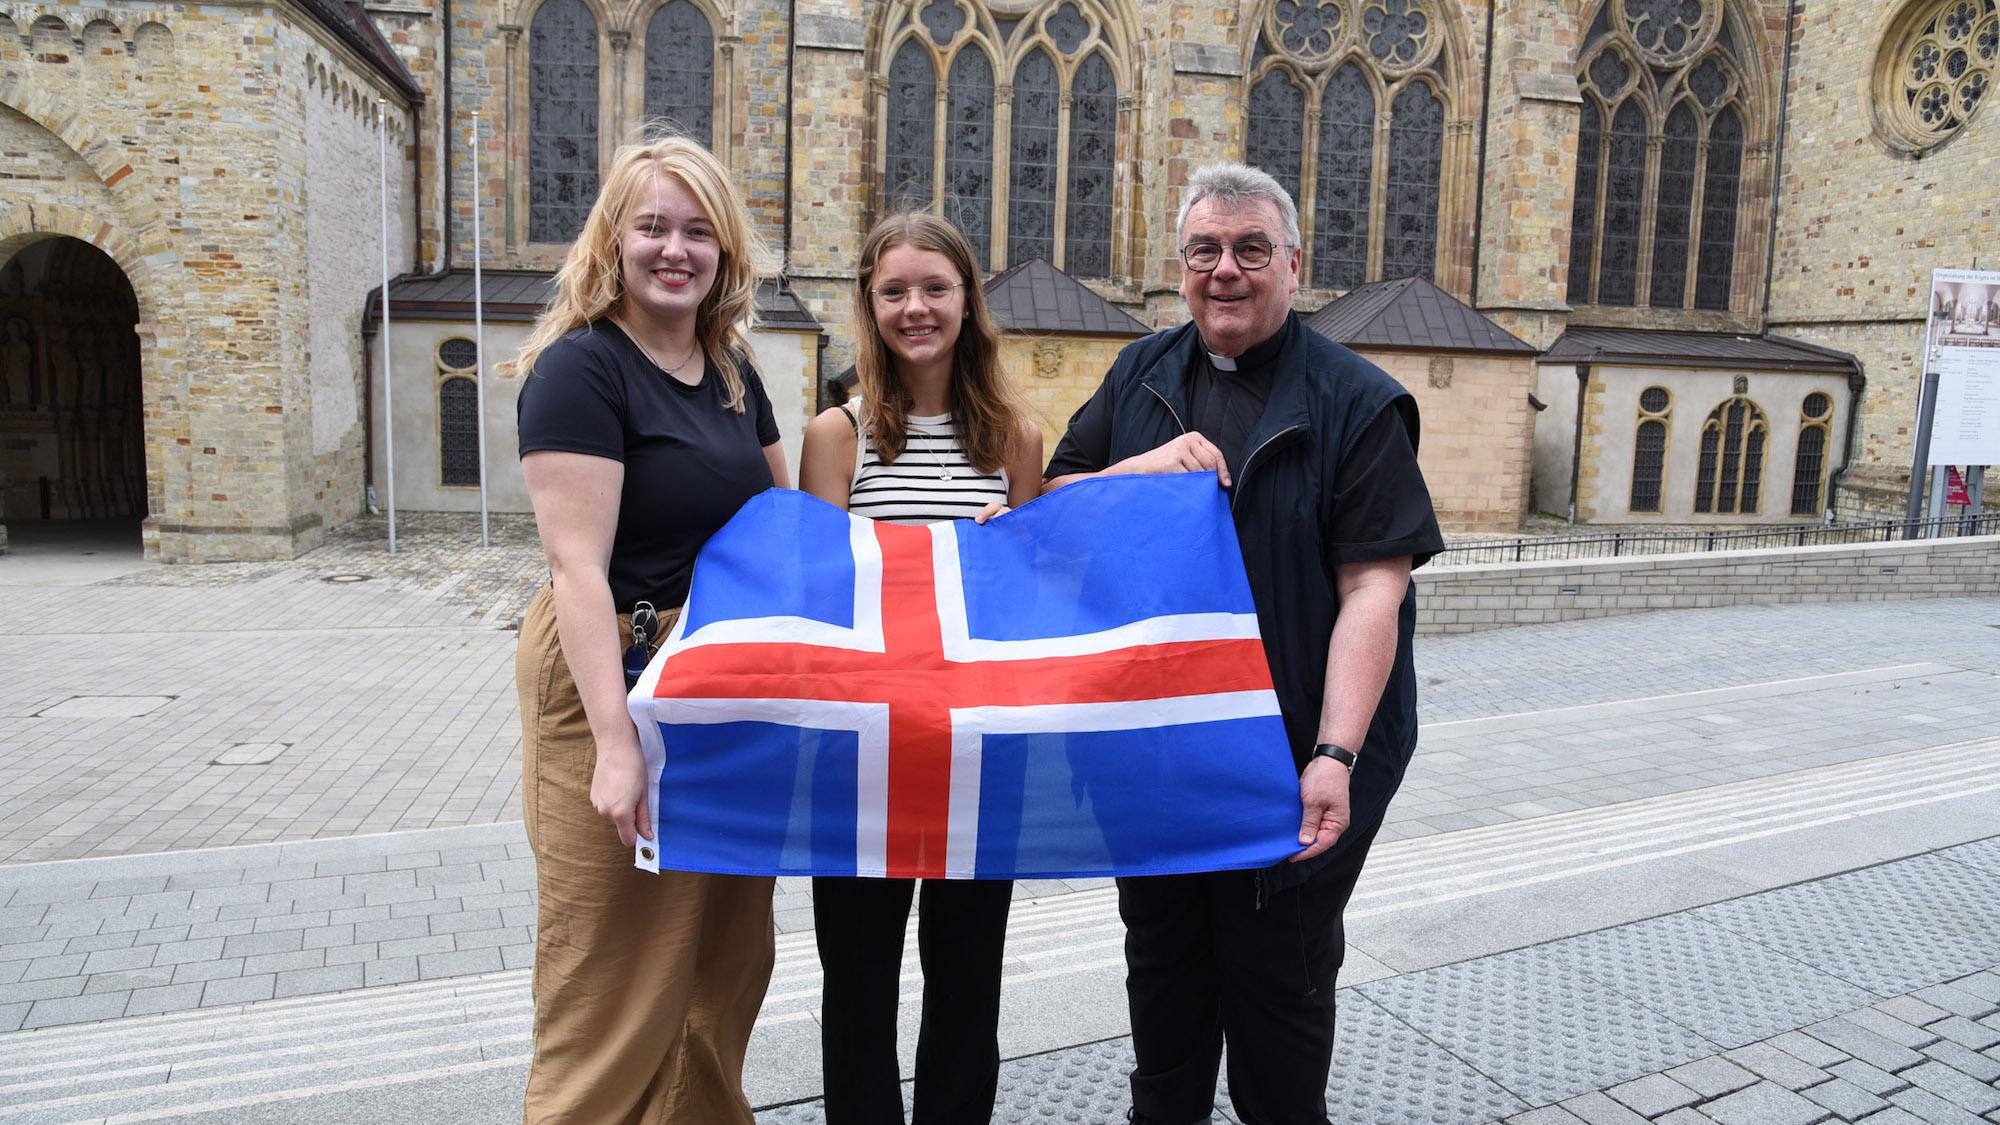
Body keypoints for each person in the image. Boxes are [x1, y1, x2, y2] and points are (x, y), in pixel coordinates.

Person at [1043, 162, 1443, 1125]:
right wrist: (1144, 465)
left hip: (1300, 755)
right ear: (1181, 268)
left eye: (1251, 250)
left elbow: (1372, 591)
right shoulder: (1140, 373)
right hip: (1161, 753)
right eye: (1205, 251)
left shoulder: (1360, 401)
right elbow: (1052, 507)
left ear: (1293, 265)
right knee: (1167, 980)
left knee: (1279, 988)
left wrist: (1336, 755)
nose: (1226, 269)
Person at [508, 134, 787, 1125]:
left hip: (718, 686)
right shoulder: (582, 371)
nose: (675, 249)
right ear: (612, 241)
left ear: (724, 249)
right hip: (615, 675)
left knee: (722, 963)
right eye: (652, 227)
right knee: (614, 973)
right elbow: (575, 569)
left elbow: (778, 527)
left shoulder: (728, 369)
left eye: (696, 230)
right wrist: (617, 748)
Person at [796, 211, 1044, 1125]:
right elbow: (821, 600)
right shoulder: (838, 436)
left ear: (968, 301)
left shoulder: (1014, 437)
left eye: (935, 287)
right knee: (857, 985)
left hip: (980, 751)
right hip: (863, 753)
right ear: (870, 303)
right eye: (894, 289)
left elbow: (1026, 599)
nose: (916, 307)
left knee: (968, 980)